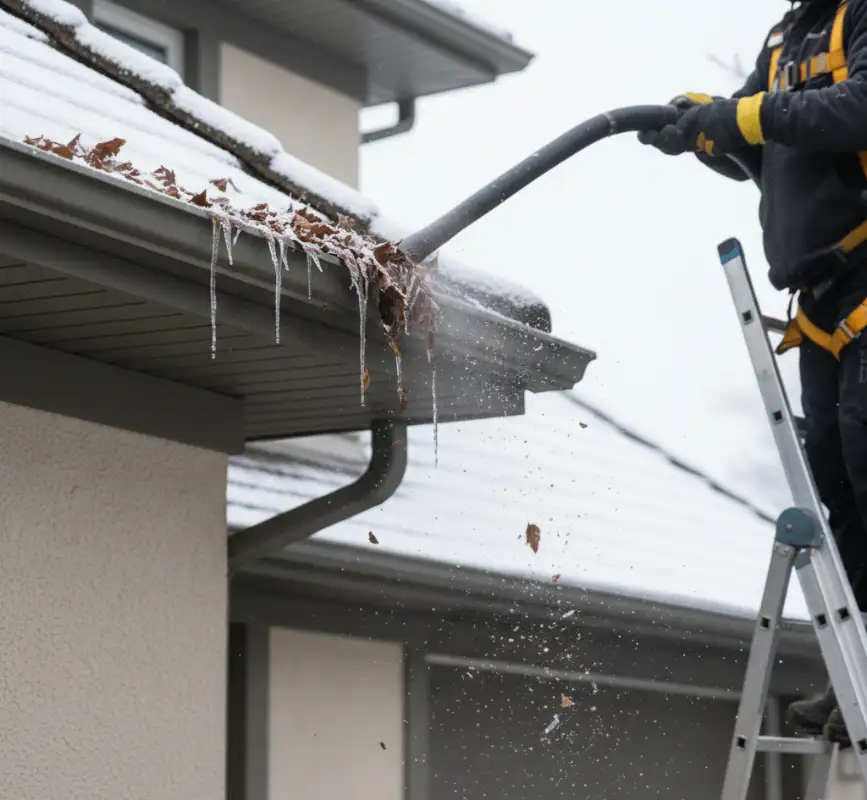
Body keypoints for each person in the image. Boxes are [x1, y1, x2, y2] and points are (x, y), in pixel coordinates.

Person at [638, 0, 867, 745]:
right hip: (821, 305)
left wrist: (744, 117)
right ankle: (856, 679)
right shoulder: (787, 36)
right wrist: (703, 131)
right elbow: (761, 138)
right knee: (840, 497)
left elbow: (854, 108)